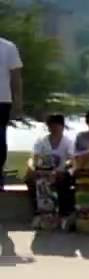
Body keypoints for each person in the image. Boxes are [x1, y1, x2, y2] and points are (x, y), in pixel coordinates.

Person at [24, 113, 75, 224]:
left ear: (62, 126)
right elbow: (34, 158)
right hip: (43, 172)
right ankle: (39, 211)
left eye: (56, 125)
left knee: (65, 179)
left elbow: (72, 160)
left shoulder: (68, 142)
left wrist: (63, 168)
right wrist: (33, 168)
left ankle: (63, 213)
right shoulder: (41, 141)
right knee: (30, 179)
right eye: (51, 125)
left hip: (60, 172)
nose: (54, 128)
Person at [0, 34, 21, 177]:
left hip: (2, 100)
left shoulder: (8, 47)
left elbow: (16, 76)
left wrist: (17, 100)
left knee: (0, 139)